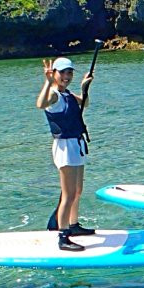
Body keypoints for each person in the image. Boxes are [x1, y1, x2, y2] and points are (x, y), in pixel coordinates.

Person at [37, 56, 94, 251]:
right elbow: (40, 104)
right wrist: (47, 82)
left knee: (77, 191)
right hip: (64, 148)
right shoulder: (54, 95)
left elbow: (84, 103)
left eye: (69, 72)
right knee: (68, 195)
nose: (66, 76)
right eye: (62, 72)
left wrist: (85, 88)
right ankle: (63, 237)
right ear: (54, 73)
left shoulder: (67, 93)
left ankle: (73, 225)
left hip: (76, 144)